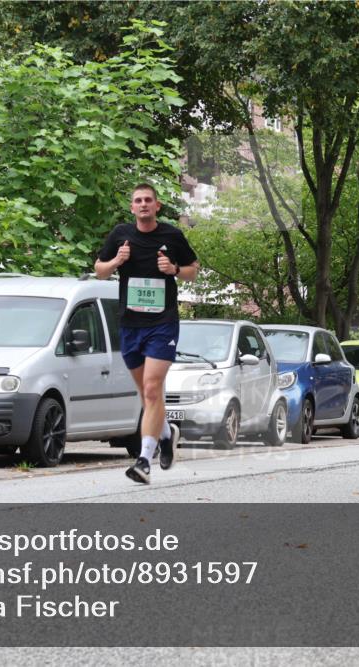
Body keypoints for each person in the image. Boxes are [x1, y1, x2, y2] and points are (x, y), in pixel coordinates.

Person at [95, 183, 199, 484]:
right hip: (130, 324)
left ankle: (143, 460)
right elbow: (99, 269)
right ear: (132, 207)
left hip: (162, 323)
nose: (143, 204)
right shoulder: (120, 236)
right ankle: (166, 435)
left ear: (157, 206)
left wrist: (174, 270)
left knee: (153, 389)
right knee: (146, 394)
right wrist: (117, 262)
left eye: (148, 200)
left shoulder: (171, 235)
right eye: (138, 200)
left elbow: (194, 269)